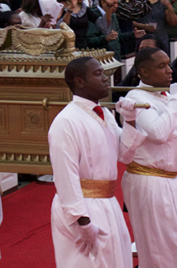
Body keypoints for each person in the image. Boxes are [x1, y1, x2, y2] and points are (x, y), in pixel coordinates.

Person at [116, 47, 177, 268]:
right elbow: (158, 133)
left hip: (175, 180)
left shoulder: (165, 97)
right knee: (163, 252)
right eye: (161, 66)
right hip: (150, 182)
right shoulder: (135, 99)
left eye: (168, 64)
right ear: (143, 72)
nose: (169, 71)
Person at [48, 57, 141, 267]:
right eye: (98, 74)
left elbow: (124, 155)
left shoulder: (105, 114)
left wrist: (130, 120)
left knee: (116, 260)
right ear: (79, 81)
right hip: (83, 208)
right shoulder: (66, 121)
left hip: (107, 203)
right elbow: (65, 175)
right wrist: (82, 220)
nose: (106, 78)